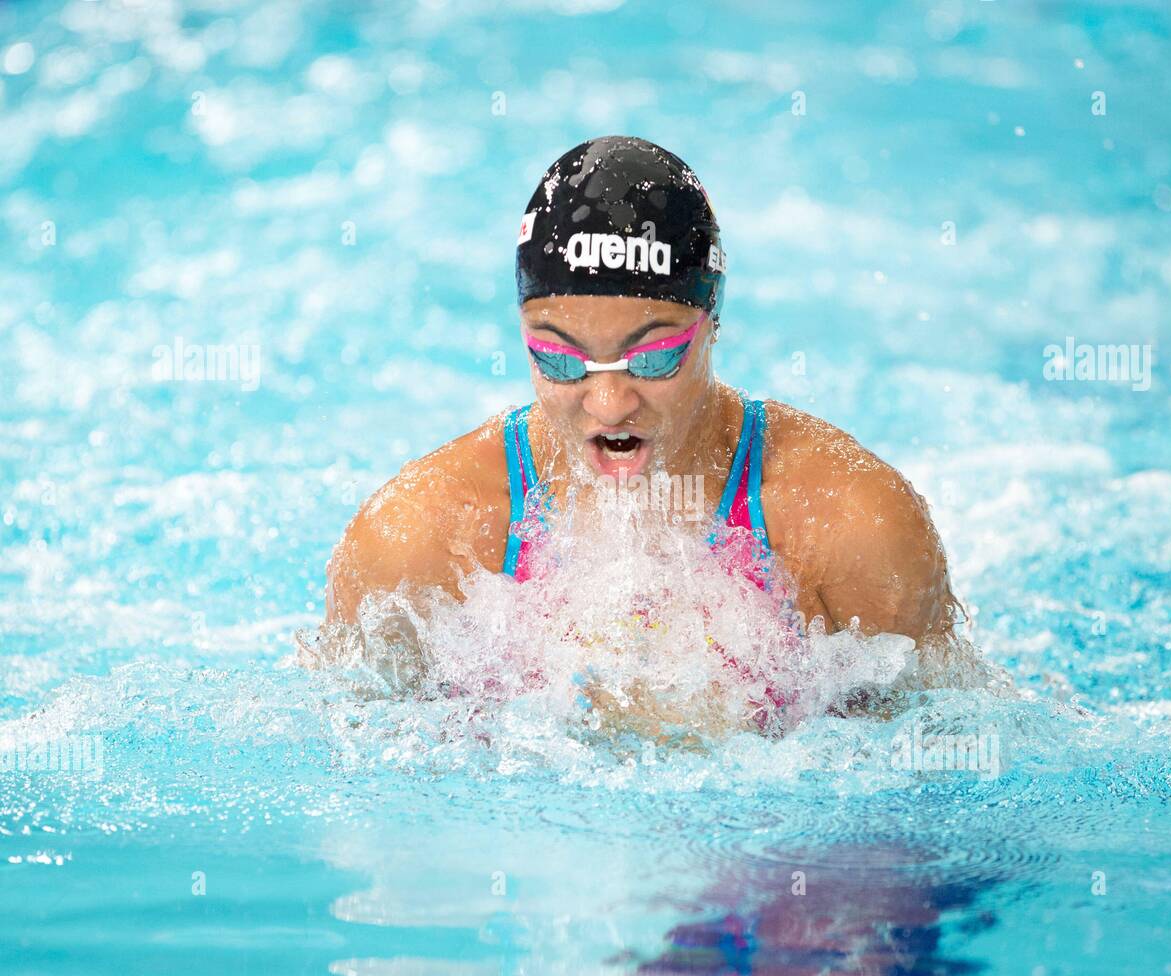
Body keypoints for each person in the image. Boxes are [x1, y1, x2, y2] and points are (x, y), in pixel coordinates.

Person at [326, 135, 960, 649]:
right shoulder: (419, 540)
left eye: (652, 358)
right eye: (560, 358)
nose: (609, 404)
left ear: (713, 324)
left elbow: (927, 776)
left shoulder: (848, 525)